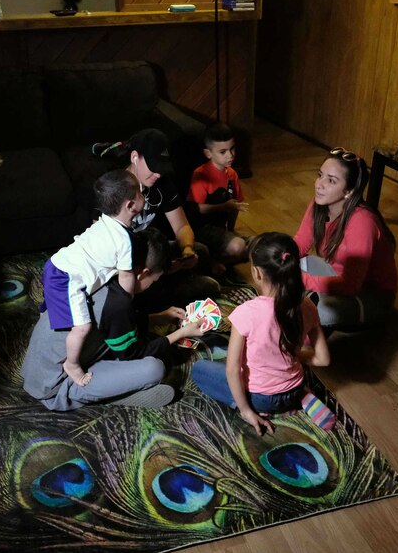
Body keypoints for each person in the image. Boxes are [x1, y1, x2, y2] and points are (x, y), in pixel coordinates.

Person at [22, 228, 206, 410]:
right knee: (154, 368)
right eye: (154, 280)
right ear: (143, 273)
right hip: (53, 384)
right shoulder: (118, 304)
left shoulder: (105, 274)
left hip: (38, 365)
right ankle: (91, 394)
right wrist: (182, 333)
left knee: (145, 341)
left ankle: (112, 385)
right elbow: (133, 352)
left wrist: (158, 318)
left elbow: (114, 323)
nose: (151, 286)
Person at [190, 232, 333, 436]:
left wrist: (246, 411)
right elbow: (323, 359)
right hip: (293, 388)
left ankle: (259, 409)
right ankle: (302, 396)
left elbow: (233, 370)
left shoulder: (247, 313)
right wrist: (288, 352)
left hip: (261, 398)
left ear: (257, 273)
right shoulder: (308, 306)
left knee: (199, 369)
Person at [42, 169, 145, 387]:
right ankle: (72, 364)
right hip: (66, 278)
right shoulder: (124, 240)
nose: (143, 195)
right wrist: (127, 301)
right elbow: (126, 276)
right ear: (130, 206)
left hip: (56, 264)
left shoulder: (104, 220)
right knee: (82, 328)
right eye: (141, 193)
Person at [294, 147, 398, 330]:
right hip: (337, 278)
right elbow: (300, 243)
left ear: (349, 191)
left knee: (317, 309)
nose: (319, 184)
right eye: (320, 175)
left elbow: (350, 285)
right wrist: (278, 259)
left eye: (331, 181)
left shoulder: (362, 222)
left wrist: (300, 279)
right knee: (294, 262)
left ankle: (306, 352)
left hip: (370, 296)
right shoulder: (319, 203)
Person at [126, 128, 220, 310]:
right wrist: (160, 267)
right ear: (135, 157)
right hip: (130, 265)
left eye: (162, 169)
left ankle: (174, 291)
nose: (158, 174)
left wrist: (187, 250)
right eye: (153, 168)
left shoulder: (162, 184)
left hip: (157, 254)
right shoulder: (116, 189)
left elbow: (181, 226)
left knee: (200, 251)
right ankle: (163, 301)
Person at [186, 123, 250, 276]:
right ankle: (212, 262)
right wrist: (224, 206)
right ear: (208, 153)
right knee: (239, 247)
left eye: (232, 149)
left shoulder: (232, 174)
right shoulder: (200, 174)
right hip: (202, 228)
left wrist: (232, 229)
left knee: (260, 246)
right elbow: (197, 208)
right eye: (223, 152)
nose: (230, 155)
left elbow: (235, 206)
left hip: (220, 228)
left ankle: (217, 260)